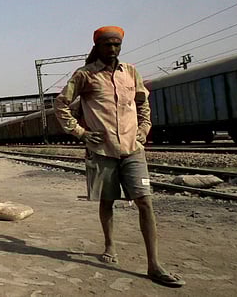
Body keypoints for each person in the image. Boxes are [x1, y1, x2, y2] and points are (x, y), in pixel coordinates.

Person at [54, 26, 185, 288]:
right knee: (107, 200)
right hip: (103, 151)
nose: (112, 49)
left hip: (133, 149)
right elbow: (60, 104)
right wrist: (80, 132)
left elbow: (142, 103)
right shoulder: (85, 76)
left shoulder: (131, 72)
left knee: (145, 202)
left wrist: (144, 130)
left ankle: (154, 265)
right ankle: (110, 244)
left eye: (116, 45)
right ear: (98, 47)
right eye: (107, 45)